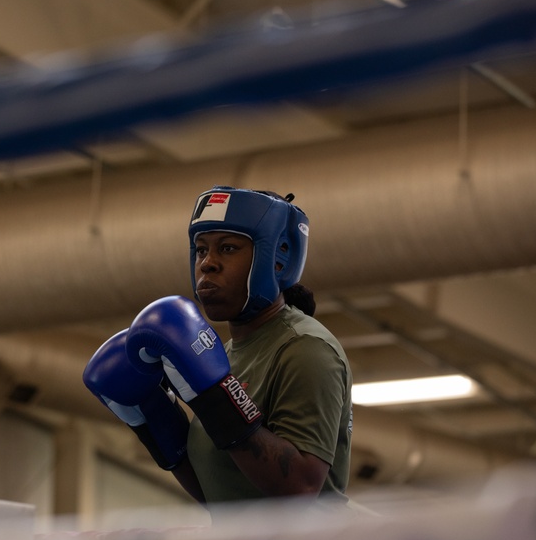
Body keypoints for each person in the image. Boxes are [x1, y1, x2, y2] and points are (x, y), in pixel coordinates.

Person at [84, 186, 352, 509]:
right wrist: (154, 419)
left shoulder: (306, 349)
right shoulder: (223, 354)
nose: (208, 263)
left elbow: (302, 485)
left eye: (227, 248)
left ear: (277, 258)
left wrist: (215, 397)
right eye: (200, 250)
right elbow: (219, 492)